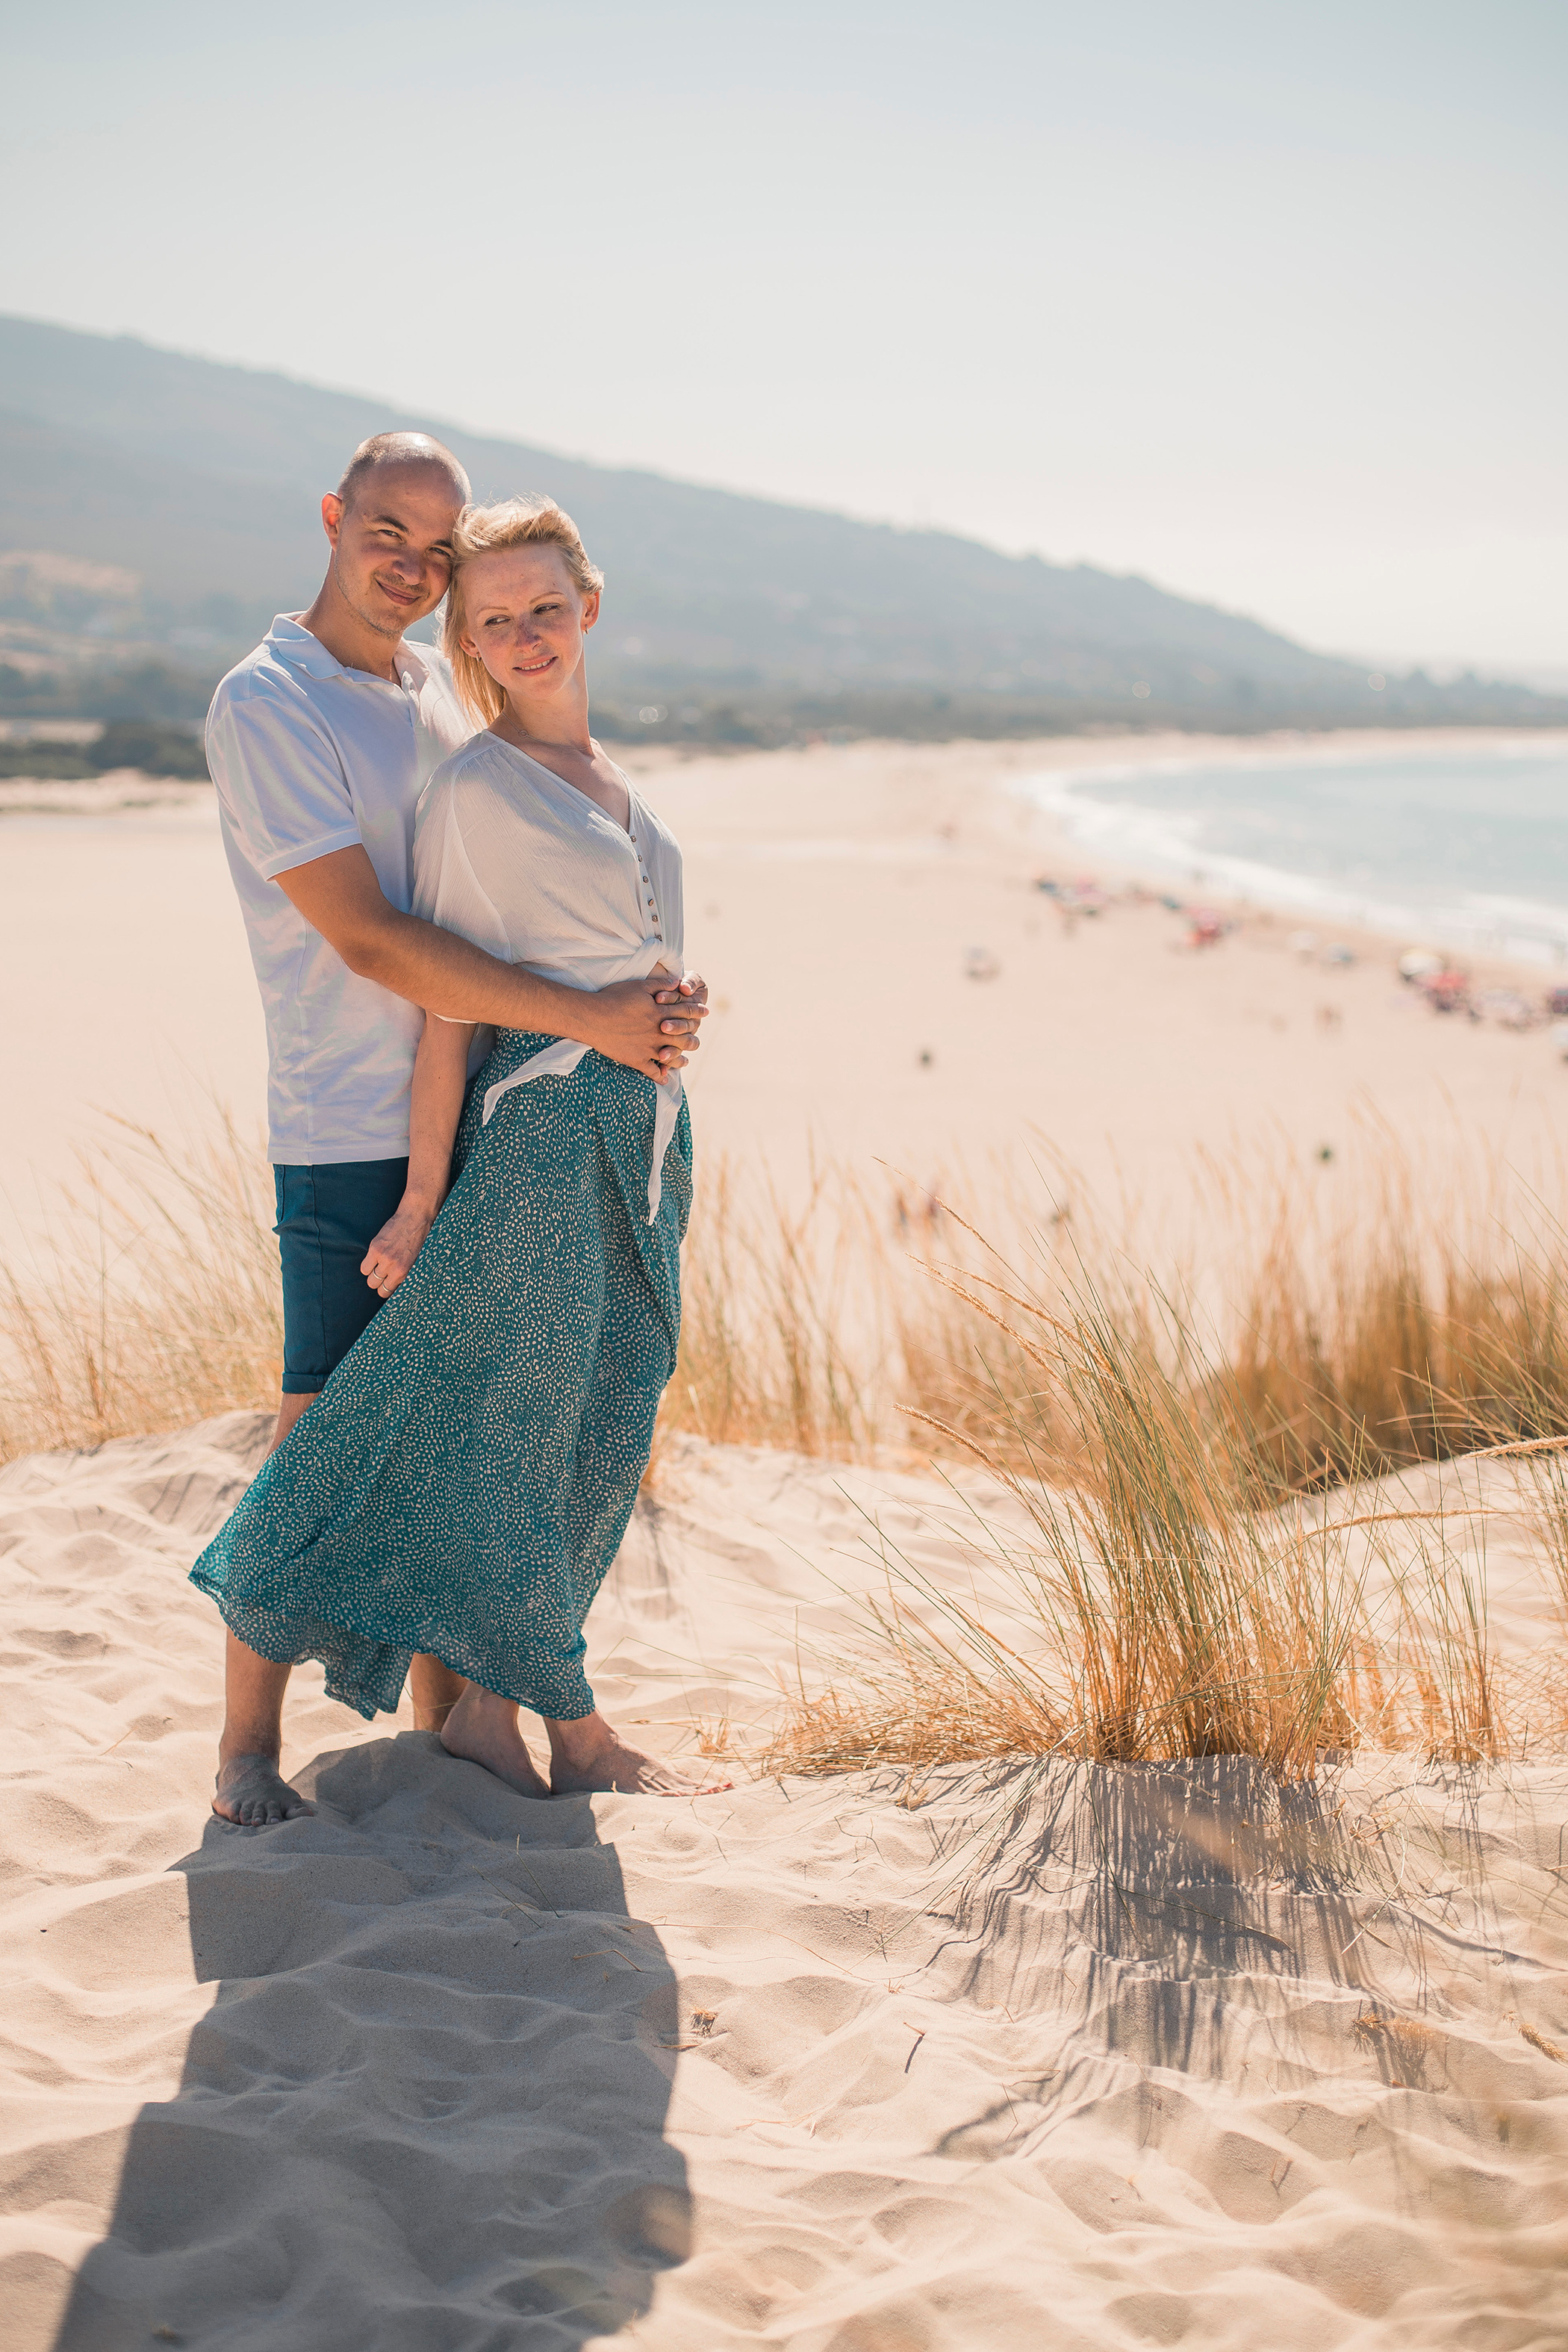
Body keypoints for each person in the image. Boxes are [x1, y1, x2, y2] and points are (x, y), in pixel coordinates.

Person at [192, 493, 729, 1811]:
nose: (526, 631)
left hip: (628, 1132)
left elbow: (594, 946)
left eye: (547, 605)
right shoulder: (409, 760)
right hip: (458, 1134)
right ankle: (267, 1745)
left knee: (582, 1426)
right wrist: (432, 1193)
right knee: (355, 1423)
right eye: (497, 617)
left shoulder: (532, 744)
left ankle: (478, 1709)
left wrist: (662, 1005)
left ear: (589, 606)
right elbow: (413, 973)